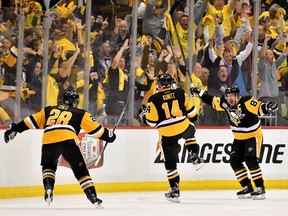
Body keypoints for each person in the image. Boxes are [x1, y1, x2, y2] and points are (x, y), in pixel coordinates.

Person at [3, 90, 116, 208]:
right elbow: (96, 130)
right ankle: (92, 197)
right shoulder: (80, 113)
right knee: (81, 171)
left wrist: (15, 129)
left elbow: (30, 121)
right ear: (76, 102)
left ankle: (48, 188)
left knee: (49, 166)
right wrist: (109, 135)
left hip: (49, 139)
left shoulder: (49, 110)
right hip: (69, 140)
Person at [190, 85, 279, 200]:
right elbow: (212, 101)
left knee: (250, 160)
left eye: (232, 96)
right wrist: (200, 92)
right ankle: (247, 186)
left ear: (237, 96)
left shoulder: (247, 101)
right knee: (234, 161)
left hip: (252, 136)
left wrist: (268, 106)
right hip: (238, 138)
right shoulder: (225, 103)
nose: (229, 98)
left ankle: (260, 187)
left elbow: (260, 108)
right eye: (227, 96)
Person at [139, 73, 204, 203]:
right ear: (171, 82)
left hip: (167, 132)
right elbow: (193, 114)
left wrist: (143, 115)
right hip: (183, 126)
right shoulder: (180, 92)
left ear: (158, 85)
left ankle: (174, 189)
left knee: (170, 163)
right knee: (190, 131)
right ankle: (194, 154)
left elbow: (152, 122)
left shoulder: (153, 98)